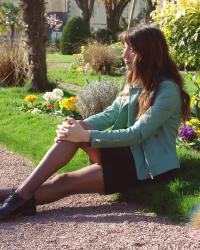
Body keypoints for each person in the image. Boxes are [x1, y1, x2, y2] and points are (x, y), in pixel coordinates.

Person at [0, 25, 190, 221]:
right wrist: (77, 125)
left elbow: (137, 134)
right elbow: (110, 114)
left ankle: (17, 200)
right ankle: (18, 197)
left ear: (149, 52)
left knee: (64, 181)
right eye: (125, 47)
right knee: (74, 131)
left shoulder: (168, 91)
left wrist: (87, 136)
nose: (124, 54)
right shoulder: (136, 81)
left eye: (131, 49)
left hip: (146, 168)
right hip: (127, 153)